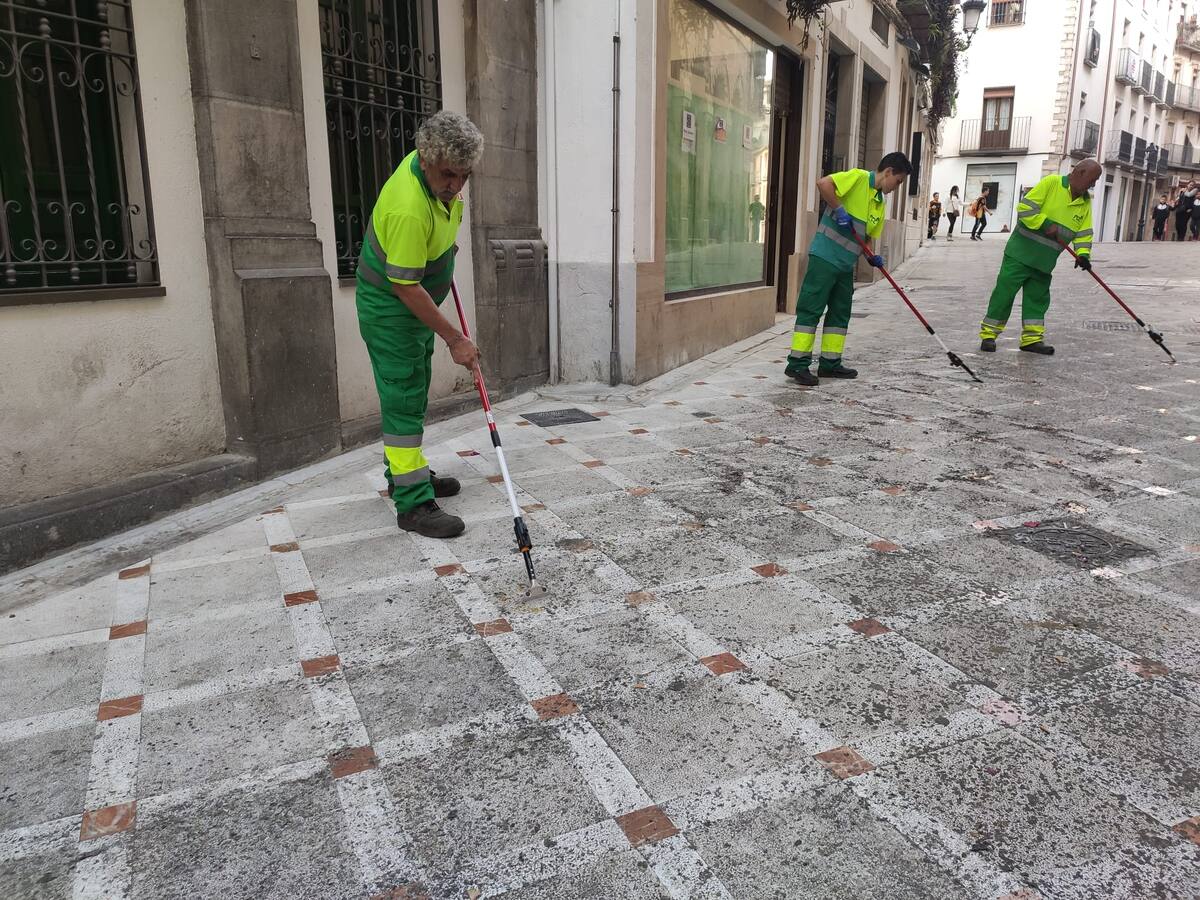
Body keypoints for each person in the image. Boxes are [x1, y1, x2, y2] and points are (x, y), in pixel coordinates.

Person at [356, 110, 484, 538]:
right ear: (426, 159)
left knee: (412, 390)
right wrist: (455, 339)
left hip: (414, 309)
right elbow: (406, 287)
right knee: (404, 398)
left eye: (464, 176)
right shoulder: (408, 206)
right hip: (393, 311)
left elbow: (439, 236)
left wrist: (444, 262)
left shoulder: (438, 184)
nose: (456, 185)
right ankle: (412, 505)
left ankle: (405, 475)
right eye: (449, 174)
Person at [784, 152, 911, 386]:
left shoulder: (879, 203)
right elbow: (824, 184)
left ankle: (830, 363)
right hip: (825, 257)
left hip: (845, 265)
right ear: (888, 172)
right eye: (898, 181)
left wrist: (872, 256)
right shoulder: (859, 177)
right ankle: (797, 364)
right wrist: (839, 208)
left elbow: (867, 238)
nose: (897, 187)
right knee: (811, 309)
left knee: (840, 312)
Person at [978, 159, 1100, 357]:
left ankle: (1032, 340)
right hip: (1020, 254)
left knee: (1037, 300)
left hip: (1045, 262)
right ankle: (989, 335)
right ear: (1080, 173)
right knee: (1004, 294)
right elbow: (1025, 209)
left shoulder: (1085, 202)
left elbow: (1084, 232)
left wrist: (1083, 255)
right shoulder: (1051, 183)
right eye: (1092, 180)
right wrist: (1044, 223)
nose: (1093, 184)